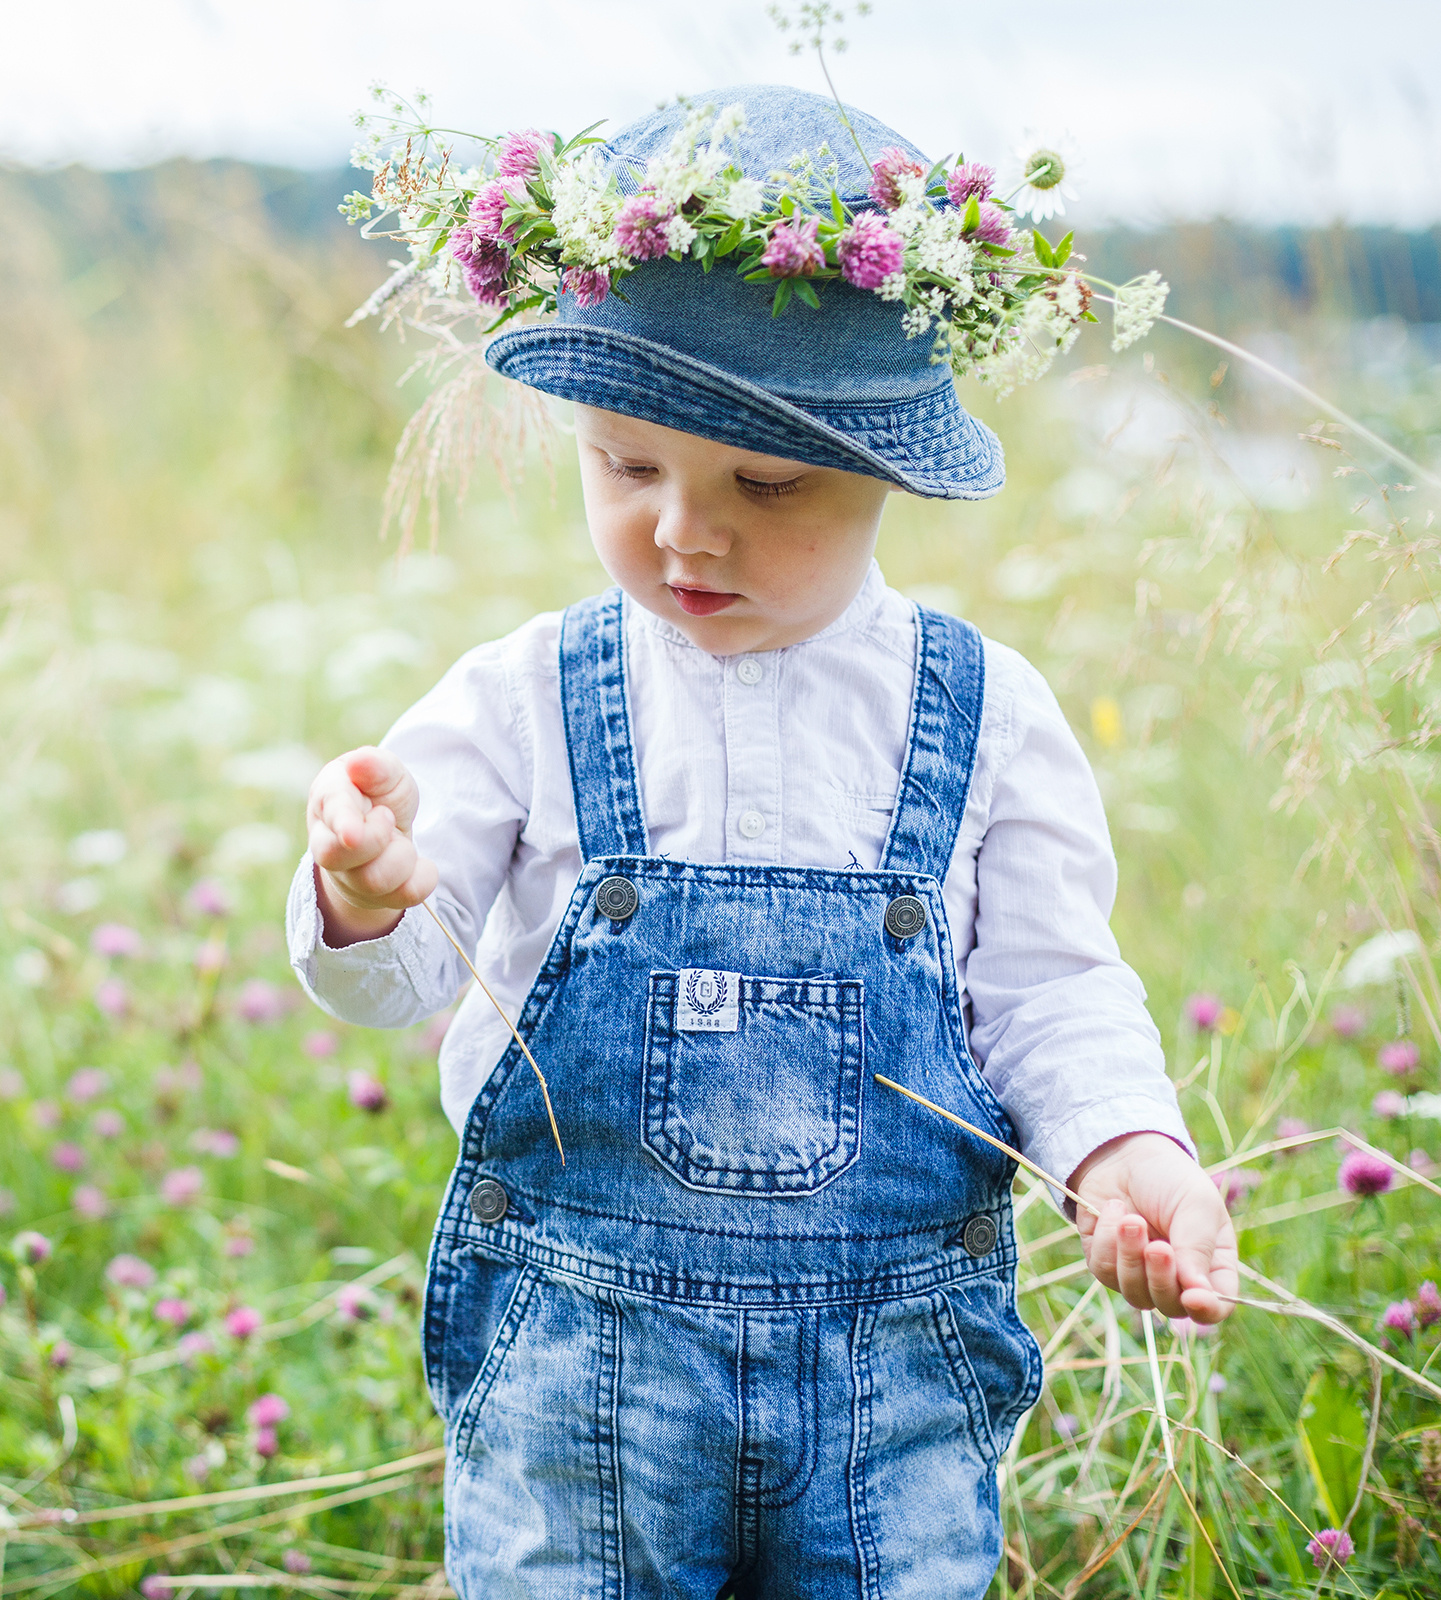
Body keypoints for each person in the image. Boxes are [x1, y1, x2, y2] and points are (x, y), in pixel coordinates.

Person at [289, 86, 1238, 1596]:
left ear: (891, 466)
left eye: (766, 485)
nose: (683, 533)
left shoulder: (984, 714)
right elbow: (399, 981)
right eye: (627, 467)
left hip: (893, 1388)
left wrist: (1123, 1153)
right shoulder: (528, 696)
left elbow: (1051, 990)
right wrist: (364, 893)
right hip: (579, 1376)